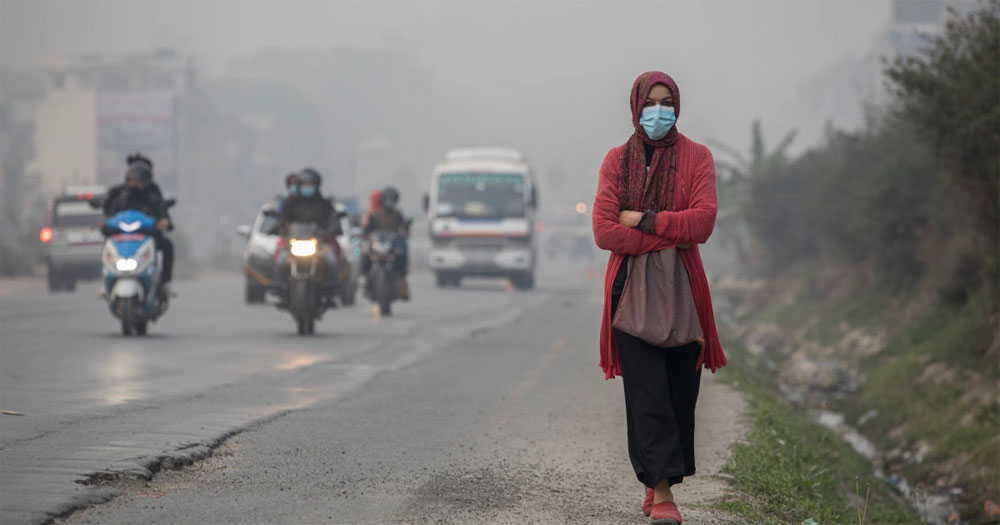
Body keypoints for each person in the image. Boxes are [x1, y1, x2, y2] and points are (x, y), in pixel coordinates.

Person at [591, 71, 727, 525]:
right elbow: (604, 231)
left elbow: (702, 224)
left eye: (667, 102)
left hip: (683, 291)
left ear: (678, 106)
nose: (658, 111)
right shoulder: (615, 161)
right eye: (650, 102)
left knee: (679, 393)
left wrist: (643, 220)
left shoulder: (698, 157)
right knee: (647, 394)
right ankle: (663, 492)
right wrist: (671, 233)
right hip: (629, 292)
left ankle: (657, 478)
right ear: (636, 107)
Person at [102, 162, 174, 296]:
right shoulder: (120, 199)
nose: (135, 184)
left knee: (167, 245)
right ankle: (106, 281)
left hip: (146, 237)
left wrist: (164, 222)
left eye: (139, 181)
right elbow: (111, 216)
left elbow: (163, 214)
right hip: (124, 238)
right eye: (132, 180)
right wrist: (105, 225)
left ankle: (165, 282)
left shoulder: (152, 198)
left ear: (146, 181)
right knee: (108, 244)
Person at [273, 168, 342, 298]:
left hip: (319, 244)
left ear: (317, 186)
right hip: (293, 243)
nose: (307, 188)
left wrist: (331, 231)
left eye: (311, 185)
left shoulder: (324, 204)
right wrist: (281, 230)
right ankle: (279, 288)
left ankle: (332, 289)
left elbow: (334, 220)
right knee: (281, 260)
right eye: (304, 185)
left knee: (331, 259)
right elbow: (281, 220)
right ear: (299, 186)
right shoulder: (290, 203)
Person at [363, 186, 409, 300]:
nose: (389, 202)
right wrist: (366, 235)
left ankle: (401, 280)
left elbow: (403, 229)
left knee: (402, 253)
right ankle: (365, 279)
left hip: (392, 246)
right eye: (387, 199)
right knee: (365, 255)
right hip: (377, 245)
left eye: (392, 200)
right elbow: (367, 230)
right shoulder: (375, 214)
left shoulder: (398, 214)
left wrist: (406, 228)